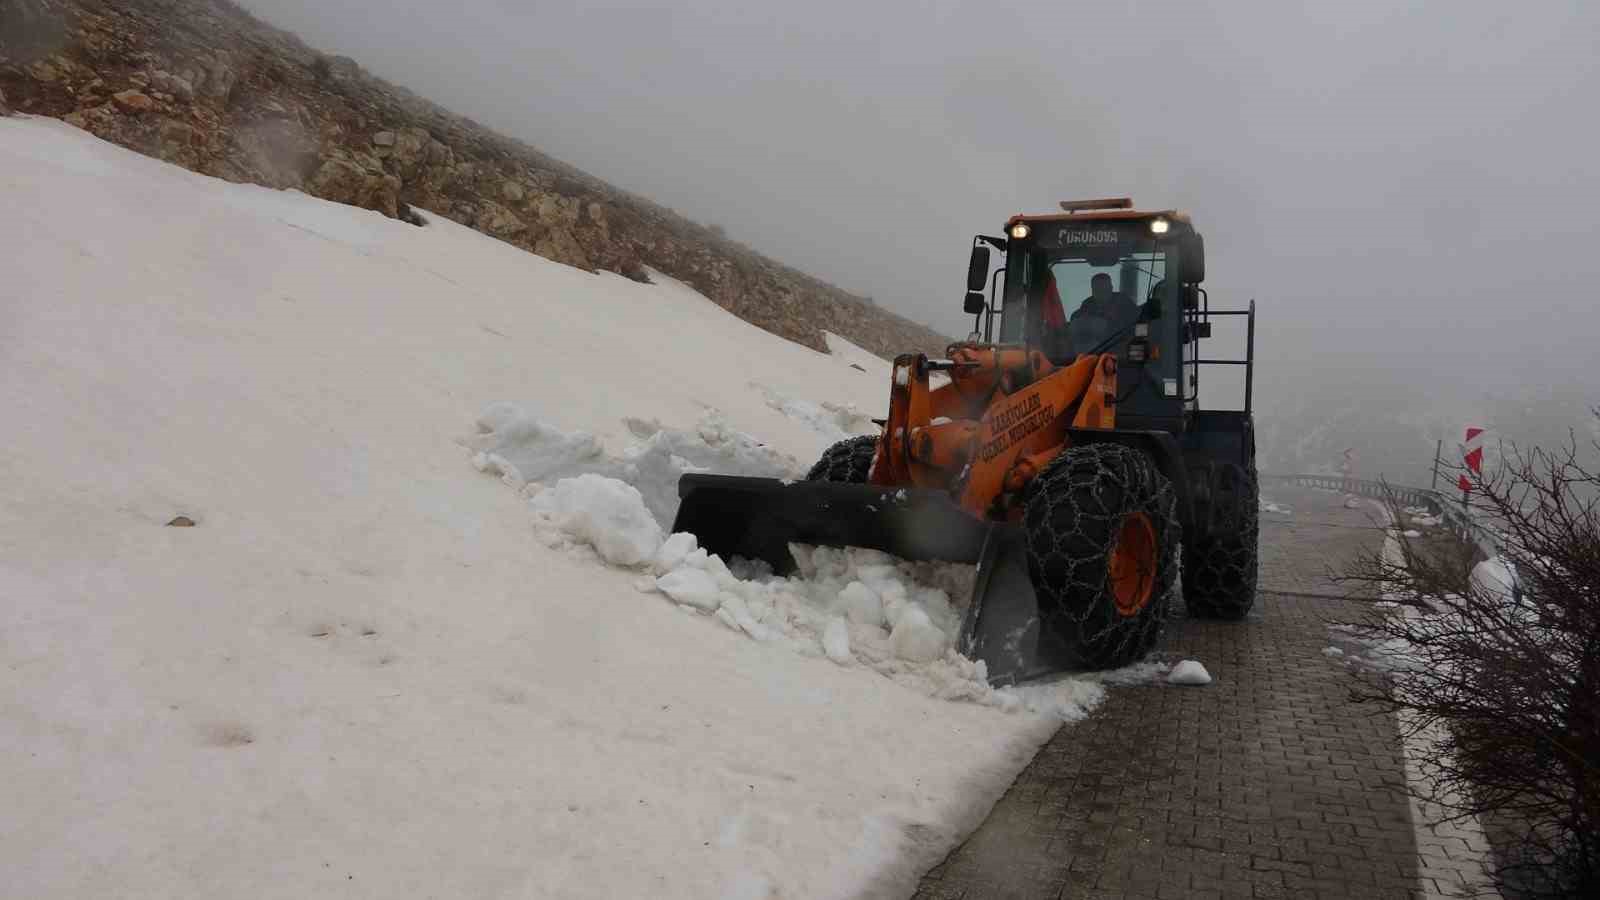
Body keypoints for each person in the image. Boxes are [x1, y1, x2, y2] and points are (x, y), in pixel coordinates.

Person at [1068, 273, 1138, 353]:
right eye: (1097, 290)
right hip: (1093, 355)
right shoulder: (1085, 308)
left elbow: (1139, 326)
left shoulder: (1125, 304)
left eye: (1104, 289)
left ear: (1111, 288)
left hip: (1121, 354)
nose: (1101, 293)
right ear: (1092, 290)